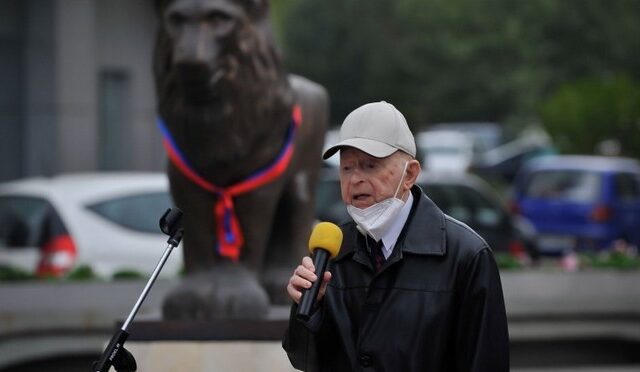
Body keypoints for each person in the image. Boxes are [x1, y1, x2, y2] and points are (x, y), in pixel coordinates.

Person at [282, 101, 510, 371]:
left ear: (410, 173)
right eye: (347, 167)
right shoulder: (331, 250)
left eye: (369, 166)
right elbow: (304, 360)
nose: (355, 179)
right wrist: (309, 311)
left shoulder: (466, 255)